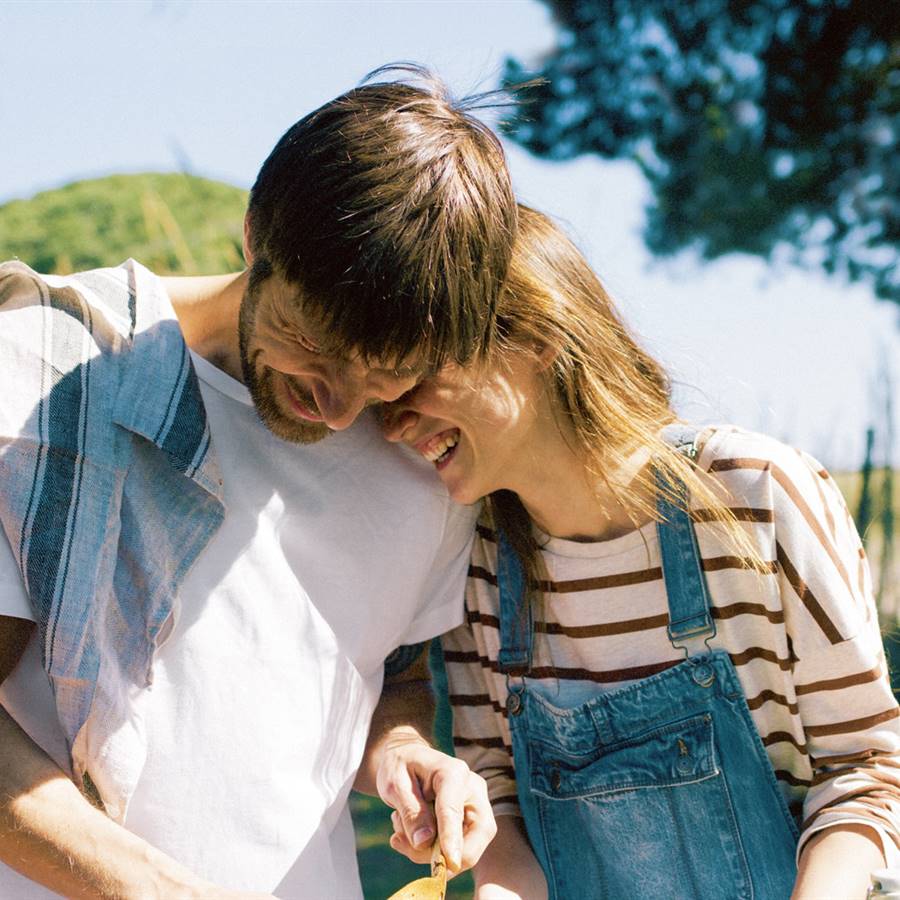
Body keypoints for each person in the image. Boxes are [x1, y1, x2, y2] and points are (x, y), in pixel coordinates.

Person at [0, 66, 517, 899]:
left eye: (383, 374)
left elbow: (392, 680)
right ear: (254, 234)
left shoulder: (427, 465)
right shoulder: (50, 370)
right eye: (310, 342)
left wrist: (407, 755)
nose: (338, 406)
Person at [383, 205, 900, 900]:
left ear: (534, 334)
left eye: (414, 372)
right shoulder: (476, 562)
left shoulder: (757, 495)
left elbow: (865, 772)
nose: (392, 421)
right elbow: (499, 808)